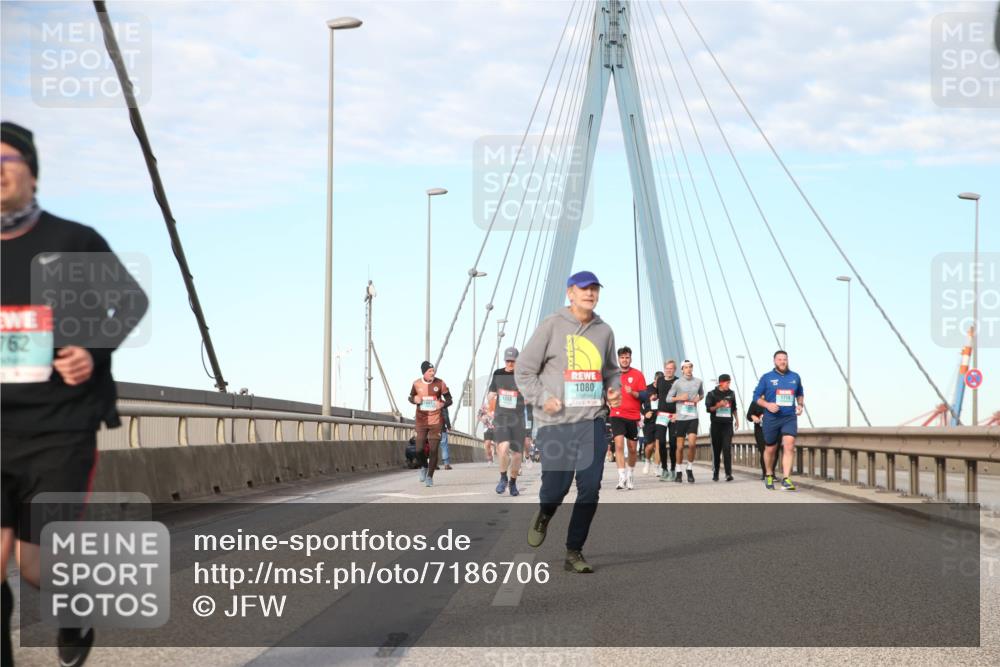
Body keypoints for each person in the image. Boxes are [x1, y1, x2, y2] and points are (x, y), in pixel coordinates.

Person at [2, 121, 149, 667]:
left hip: (58, 428)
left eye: (8, 160)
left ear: (32, 173)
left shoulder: (71, 241)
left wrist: (91, 348)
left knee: (40, 567)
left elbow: (128, 302)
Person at [518, 271, 621, 574]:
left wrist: (613, 390)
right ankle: (545, 512)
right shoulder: (551, 325)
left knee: (590, 488)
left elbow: (612, 370)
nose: (590, 294)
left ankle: (574, 550)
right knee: (555, 490)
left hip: (591, 420)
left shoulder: (605, 332)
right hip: (556, 423)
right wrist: (542, 398)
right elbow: (523, 370)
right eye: (584, 289)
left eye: (594, 289)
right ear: (570, 293)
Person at [753, 350, 804, 491]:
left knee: (789, 444)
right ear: (775, 361)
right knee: (770, 448)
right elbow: (756, 397)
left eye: (785, 359)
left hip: (789, 417)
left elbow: (800, 394)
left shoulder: (795, 377)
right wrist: (768, 405)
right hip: (771, 418)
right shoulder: (767, 378)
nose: (782, 361)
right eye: (780, 359)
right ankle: (769, 473)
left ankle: (786, 479)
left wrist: (800, 404)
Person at [488, 347, 527, 497]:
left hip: (517, 418)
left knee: (517, 455)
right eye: (507, 361)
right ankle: (503, 477)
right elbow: (492, 392)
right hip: (502, 417)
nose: (510, 364)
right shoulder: (498, 373)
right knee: (503, 448)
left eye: (513, 361)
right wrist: (491, 397)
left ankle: (513, 482)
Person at [408, 361, 452, 487]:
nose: (433, 373)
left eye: (433, 371)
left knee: (433, 450)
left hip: (435, 421)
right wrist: (414, 399)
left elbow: (449, 399)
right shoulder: (416, 384)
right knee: (419, 449)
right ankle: (423, 466)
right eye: (430, 371)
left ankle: (430, 477)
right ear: (424, 372)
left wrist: (442, 404)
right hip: (421, 421)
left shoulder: (440, 383)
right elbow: (411, 397)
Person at [609, 346, 646, 490]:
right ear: (618, 359)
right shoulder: (612, 375)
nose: (624, 360)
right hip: (616, 414)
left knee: (632, 449)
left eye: (627, 357)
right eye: (622, 357)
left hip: (633, 416)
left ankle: (630, 474)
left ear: (630, 358)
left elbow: (644, 395)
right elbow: (605, 391)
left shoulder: (637, 374)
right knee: (618, 445)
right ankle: (621, 476)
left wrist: (635, 393)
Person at [665, 360, 703, 483]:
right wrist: (679, 398)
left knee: (692, 444)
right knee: (680, 447)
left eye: (690, 367)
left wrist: (699, 398)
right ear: (682, 370)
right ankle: (679, 470)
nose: (688, 369)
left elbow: (701, 394)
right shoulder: (677, 383)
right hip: (681, 418)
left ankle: (689, 468)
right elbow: (668, 399)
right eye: (686, 367)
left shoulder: (698, 382)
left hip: (693, 417)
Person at [705, 374, 739, 481]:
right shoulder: (712, 394)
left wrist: (737, 420)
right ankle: (716, 473)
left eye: (729, 382)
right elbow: (709, 409)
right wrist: (718, 406)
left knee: (727, 448)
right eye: (727, 383)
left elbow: (734, 408)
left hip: (728, 425)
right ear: (721, 383)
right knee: (717, 450)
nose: (729, 385)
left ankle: (728, 474)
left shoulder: (731, 393)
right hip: (716, 425)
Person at [655, 360, 678, 481]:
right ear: (664, 369)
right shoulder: (660, 380)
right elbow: (657, 394)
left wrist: (678, 414)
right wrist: (653, 396)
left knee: (673, 444)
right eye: (667, 368)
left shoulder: (679, 381)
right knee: (662, 443)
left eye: (671, 368)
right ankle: (664, 469)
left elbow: (682, 400)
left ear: (675, 370)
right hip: (662, 415)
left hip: (674, 416)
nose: (669, 370)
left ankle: (673, 469)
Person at [641, 372, 662, 475]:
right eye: (658, 381)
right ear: (654, 380)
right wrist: (645, 413)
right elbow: (638, 403)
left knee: (658, 445)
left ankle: (657, 467)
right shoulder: (646, 389)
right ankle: (647, 461)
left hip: (660, 420)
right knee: (650, 446)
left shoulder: (664, 389)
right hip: (649, 421)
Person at [746, 400, 768, 479]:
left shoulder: (774, 399)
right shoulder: (755, 402)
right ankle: (766, 474)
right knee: (764, 451)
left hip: (773, 430)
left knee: (772, 452)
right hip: (760, 430)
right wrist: (753, 416)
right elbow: (748, 415)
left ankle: (771, 473)